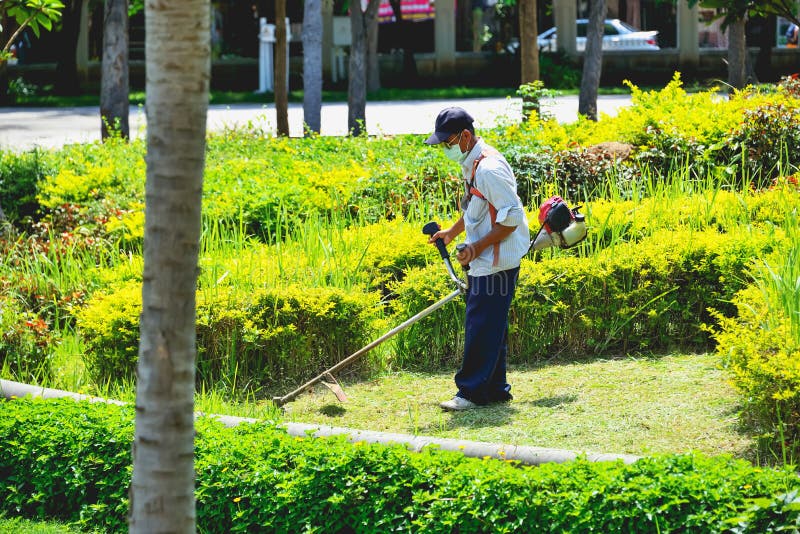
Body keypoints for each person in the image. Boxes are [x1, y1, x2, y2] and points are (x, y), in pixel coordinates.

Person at [425, 107, 530, 411]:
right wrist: (451, 232)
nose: (445, 148)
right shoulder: (474, 164)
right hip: (487, 258)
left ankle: (470, 393)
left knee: (480, 323)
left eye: (448, 142)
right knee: (491, 324)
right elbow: (476, 206)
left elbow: (510, 218)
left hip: (496, 260)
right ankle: (495, 389)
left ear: (466, 136)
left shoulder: (488, 168)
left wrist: (476, 249)